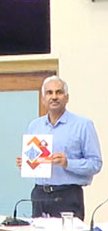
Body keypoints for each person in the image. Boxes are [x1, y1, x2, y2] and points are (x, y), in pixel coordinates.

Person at [16, 76, 102, 220]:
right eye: (49, 93)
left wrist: (68, 163)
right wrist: (25, 163)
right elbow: (35, 160)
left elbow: (95, 164)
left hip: (67, 195)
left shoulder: (83, 125)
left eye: (59, 92)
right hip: (39, 195)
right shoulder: (34, 126)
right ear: (43, 99)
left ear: (67, 98)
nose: (54, 97)